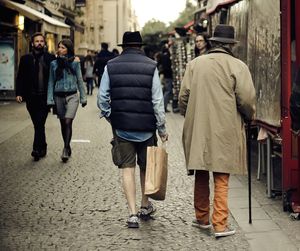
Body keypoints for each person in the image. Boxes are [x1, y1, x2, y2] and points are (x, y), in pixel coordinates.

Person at [179, 24, 256, 238]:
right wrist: (250, 116)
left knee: (201, 172)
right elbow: (247, 100)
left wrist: (192, 115)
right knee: (221, 175)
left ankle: (202, 219)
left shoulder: (194, 65)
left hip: (199, 128)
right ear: (230, 45)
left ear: (212, 43)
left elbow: (183, 97)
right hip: (225, 127)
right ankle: (220, 225)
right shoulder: (238, 66)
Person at [97, 31, 168, 228]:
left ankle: (132, 213)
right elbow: (157, 101)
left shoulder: (110, 66)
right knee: (146, 167)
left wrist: (112, 118)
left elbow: (102, 99)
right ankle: (145, 206)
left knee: (127, 168)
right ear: (140, 46)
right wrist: (161, 128)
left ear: (123, 46)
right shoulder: (151, 65)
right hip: (146, 129)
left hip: (122, 129)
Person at [16, 32, 56, 161]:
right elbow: (20, 77)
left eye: (41, 41)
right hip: (31, 97)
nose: (39, 43)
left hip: (45, 97)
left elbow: (56, 76)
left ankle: (36, 149)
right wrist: (19, 93)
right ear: (32, 43)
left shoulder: (50, 58)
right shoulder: (25, 59)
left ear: (44, 43)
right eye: (37, 41)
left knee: (40, 123)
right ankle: (42, 146)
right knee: (38, 124)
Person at [47, 39, 87, 162]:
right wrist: (50, 99)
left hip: (72, 96)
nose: (60, 49)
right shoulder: (54, 64)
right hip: (58, 96)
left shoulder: (75, 63)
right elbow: (51, 82)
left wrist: (83, 97)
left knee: (68, 121)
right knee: (63, 123)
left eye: (63, 47)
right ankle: (68, 146)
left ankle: (64, 148)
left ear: (68, 49)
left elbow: (80, 80)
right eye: (59, 47)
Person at [159, 47, 173, 112]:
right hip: (168, 76)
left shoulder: (162, 57)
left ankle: (163, 107)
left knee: (166, 91)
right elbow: (167, 67)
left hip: (165, 76)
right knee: (167, 91)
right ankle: (164, 107)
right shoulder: (166, 57)